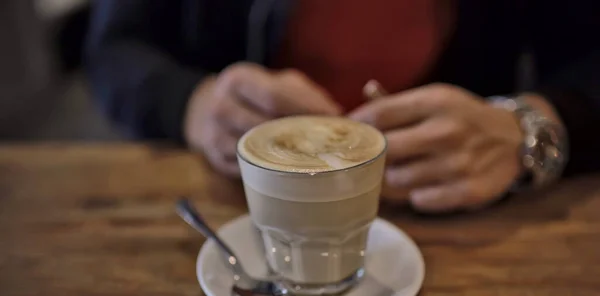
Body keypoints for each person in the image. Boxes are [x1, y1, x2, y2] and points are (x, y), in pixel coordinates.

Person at [86, 0, 600, 213]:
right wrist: (193, 104)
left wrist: (532, 126)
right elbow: (112, 48)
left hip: (460, 209)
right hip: (240, 209)